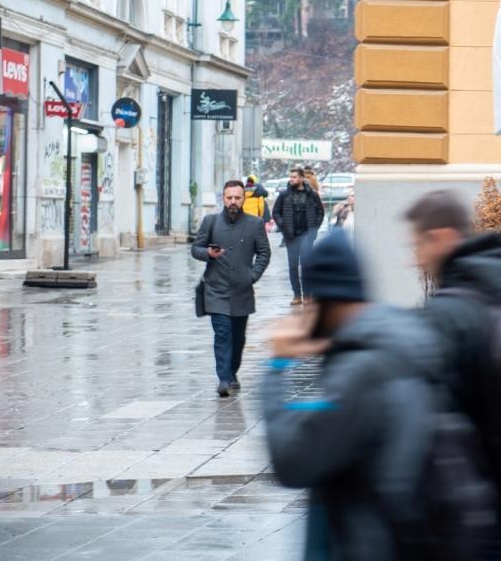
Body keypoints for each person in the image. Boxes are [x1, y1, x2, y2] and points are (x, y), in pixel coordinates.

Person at [262, 231, 450, 561]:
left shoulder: (360, 372)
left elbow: (292, 459)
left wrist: (277, 367)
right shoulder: (405, 341)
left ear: (325, 298)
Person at [408, 190, 501, 561]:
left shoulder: (452, 313)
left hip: (469, 515)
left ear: (440, 237)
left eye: (417, 244)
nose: (415, 258)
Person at [191, 179, 271, 397]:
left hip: (242, 290)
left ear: (243, 198)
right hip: (216, 290)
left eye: (237, 197)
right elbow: (195, 248)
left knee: (238, 337)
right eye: (229, 198)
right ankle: (223, 379)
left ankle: (232, 371)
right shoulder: (211, 222)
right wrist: (208, 253)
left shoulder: (254, 224)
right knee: (222, 334)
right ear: (223, 199)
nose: (233, 201)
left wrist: (252, 275)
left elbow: (264, 253)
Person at [272, 166, 324, 306]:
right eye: (290, 177)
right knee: (293, 266)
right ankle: (296, 295)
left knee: (306, 265)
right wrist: (283, 225)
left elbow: (320, 211)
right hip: (291, 236)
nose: (291, 179)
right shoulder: (284, 194)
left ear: (301, 178)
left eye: (294, 177)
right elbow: (275, 212)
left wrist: (314, 228)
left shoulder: (312, 194)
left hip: (307, 234)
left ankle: (307, 295)